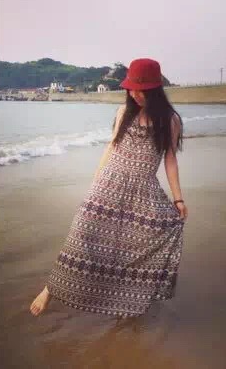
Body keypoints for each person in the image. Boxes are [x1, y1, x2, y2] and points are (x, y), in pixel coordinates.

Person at [30, 58, 188, 318]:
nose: (134, 94)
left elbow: (170, 159)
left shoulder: (170, 120)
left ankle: (126, 301)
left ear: (154, 90)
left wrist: (178, 199)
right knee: (82, 232)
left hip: (143, 190)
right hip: (109, 182)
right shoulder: (124, 112)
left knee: (132, 245)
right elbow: (112, 146)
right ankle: (51, 288)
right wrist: (96, 182)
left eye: (140, 90)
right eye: (131, 89)